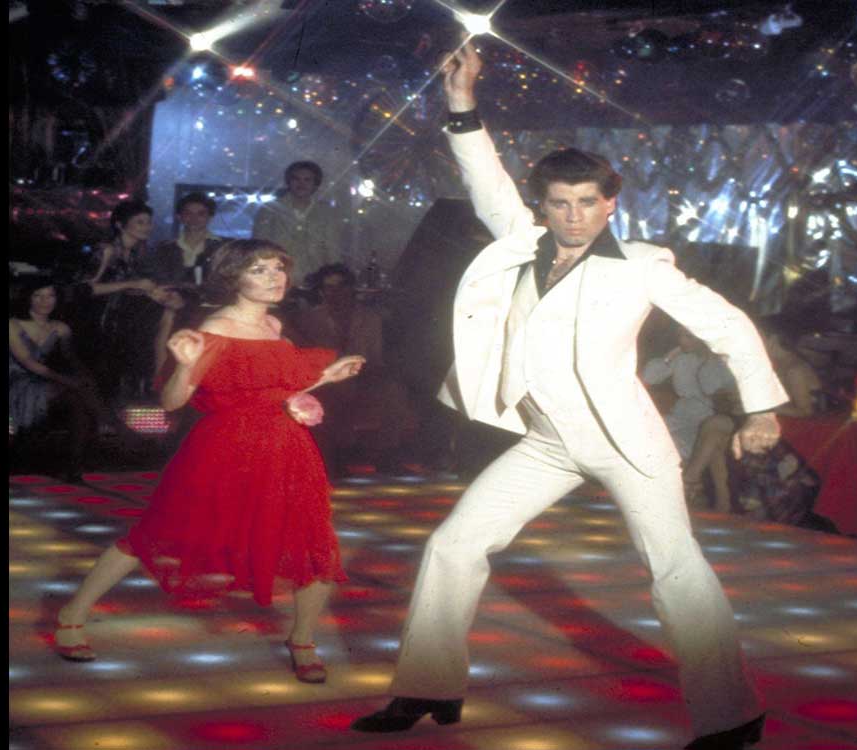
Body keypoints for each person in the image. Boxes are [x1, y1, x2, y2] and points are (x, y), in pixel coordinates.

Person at [352, 43, 789, 750]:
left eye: (589, 202)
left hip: (627, 444)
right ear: (544, 206)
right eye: (561, 203)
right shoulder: (521, 244)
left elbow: (729, 325)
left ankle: (733, 715)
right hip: (547, 442)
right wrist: (461, 103)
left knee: (675, 572)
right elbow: (485, 177)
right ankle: (428, 687)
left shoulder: (642, 266)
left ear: (610, 205)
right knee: (454, 545)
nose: (575, 216)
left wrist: (760, 407)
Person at [52, 240, 365, 685]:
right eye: (259, 270)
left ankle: (302, 640)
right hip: (224, 448)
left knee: (312, 541)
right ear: (233, 277)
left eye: (278, 268)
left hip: (286, 447)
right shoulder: (215, 328)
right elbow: (171, 402)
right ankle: (72, 614)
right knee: (156, 534)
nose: (275, 278)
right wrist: (183, 366)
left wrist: (327, 376)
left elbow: (274, 388)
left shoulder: (275, 325)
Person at [682, 317, 824, 513]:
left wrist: (760, 407)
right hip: (778, 428)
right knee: (716, 434)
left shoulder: (793, 368)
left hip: (798, 437)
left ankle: (691, 483)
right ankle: (720, 503)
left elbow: (805, 411)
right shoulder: (773, 365)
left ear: (772, 338)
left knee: (716, 426)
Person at [293, 263, 415, 475]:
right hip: (325, 379)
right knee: (336, 394)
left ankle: (386, 454)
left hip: (364, 375)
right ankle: (336, 457)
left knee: (394, 391)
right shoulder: (309, 319)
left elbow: (374, 357)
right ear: (321, 291)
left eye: (341, 286)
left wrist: (365, 373)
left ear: (351, 289)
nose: (335, 292)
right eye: (329, 287)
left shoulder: (370, 318)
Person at [9, 278, 132, 480]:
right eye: (38, 296)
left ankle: (75, 465)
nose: (45, 301)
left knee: (79, 400)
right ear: (28, 298)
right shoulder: (13, 325)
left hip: (46, 381)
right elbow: (28, 362)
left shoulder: (60, 327)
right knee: (76, 389)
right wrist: (67, 381)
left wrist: (84, 377)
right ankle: (116, 426)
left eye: (50, 295)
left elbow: (71, 359)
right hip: (18, 382)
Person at [74, 199, 170, 403]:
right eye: (140, 222)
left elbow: (128, 287)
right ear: (120, 224)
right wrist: (132, 284)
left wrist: (150, 291)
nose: (147, 227)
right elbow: (84, 289)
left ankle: (149, 386)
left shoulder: (135, 252)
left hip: (121, 317)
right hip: (101, 321)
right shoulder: (107, 250)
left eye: (149, 222)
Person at [642, 325, 737, 462]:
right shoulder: (682, 358)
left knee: (673, 450)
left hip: (706, 421)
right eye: (680, 335)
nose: (682, 340)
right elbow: (648, 377)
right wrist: (670, 355)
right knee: (645, 434)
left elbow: (732, 397)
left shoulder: (722, 361)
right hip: (680, 415)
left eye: (688, 336)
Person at [251, 161, 342, 287]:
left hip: (316, 279)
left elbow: (332, 248)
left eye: (307, 180)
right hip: (278, 278)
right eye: (296, 179)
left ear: (315, 184)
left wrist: (334, 278)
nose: (301, 184)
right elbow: (259, 246)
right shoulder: (269, 209)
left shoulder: (326, 212)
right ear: (289, 182)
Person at [149, 192, 224, 285]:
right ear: (179, 216)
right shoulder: (164, 248)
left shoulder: (222, 247)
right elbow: (157, 280)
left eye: (201, 214)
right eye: (188, 213)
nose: (194, 218)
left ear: (210, 217)